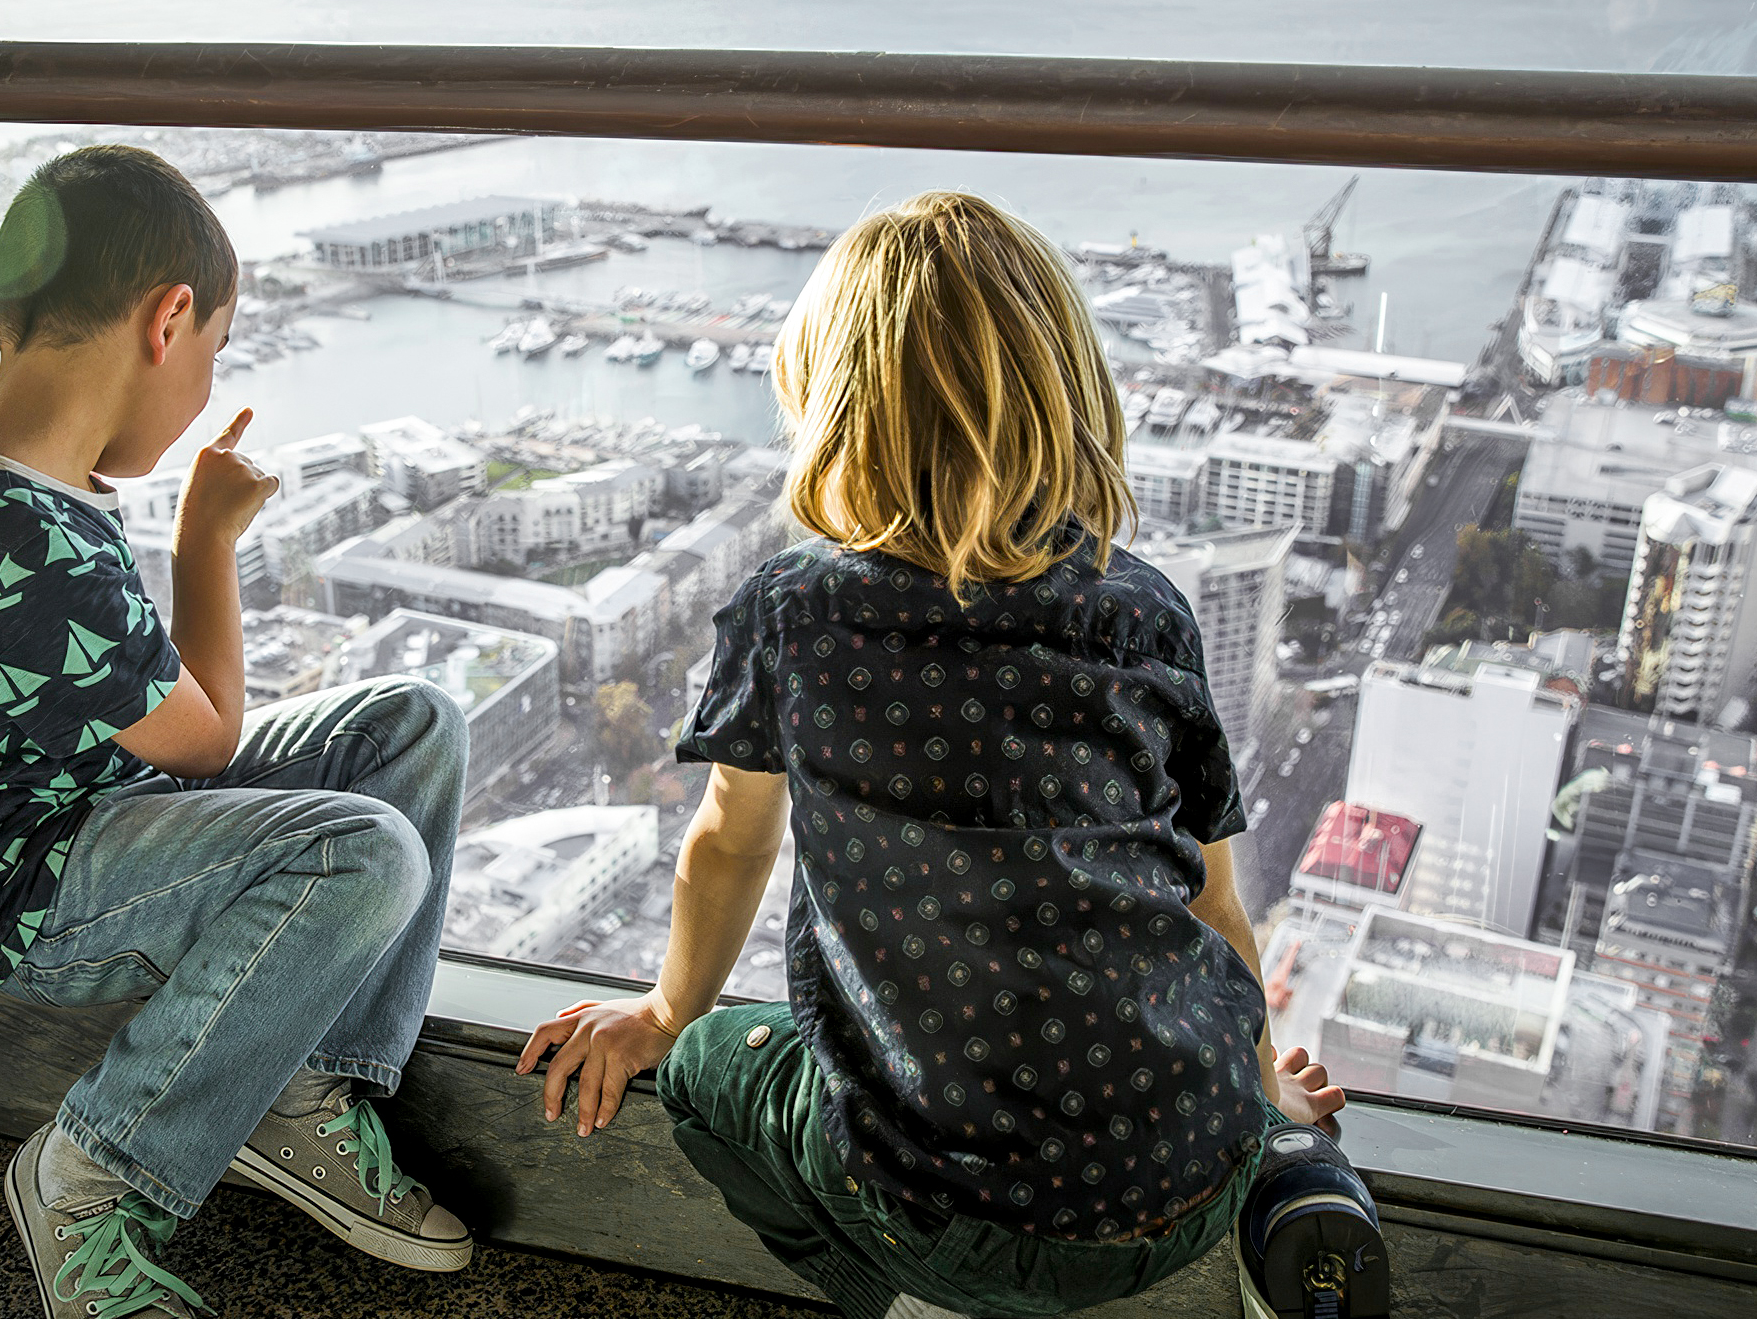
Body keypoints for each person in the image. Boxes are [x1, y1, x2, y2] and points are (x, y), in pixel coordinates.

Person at [516, 192, 1385, 1319]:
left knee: (711, 1070)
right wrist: (1256, 1093)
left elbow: (727, 845)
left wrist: (666, 1014)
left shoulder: (797, 612)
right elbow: (1216, 908)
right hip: (1191, 1171)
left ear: (832, 407)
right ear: (1067, 396)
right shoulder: (1143, 612)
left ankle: (896, 1293)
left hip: (935, 1213)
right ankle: (1290, 1158)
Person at [0, 146, 472, 1319]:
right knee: (365, 850)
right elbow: (207, 744)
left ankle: (298, 1092)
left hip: (61, 805)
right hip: (13, 885)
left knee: (410, 728)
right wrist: (206, 539)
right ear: (169, 320)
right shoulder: (31, 541)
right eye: (215, 352)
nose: (209, 381)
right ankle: (90, 1173)